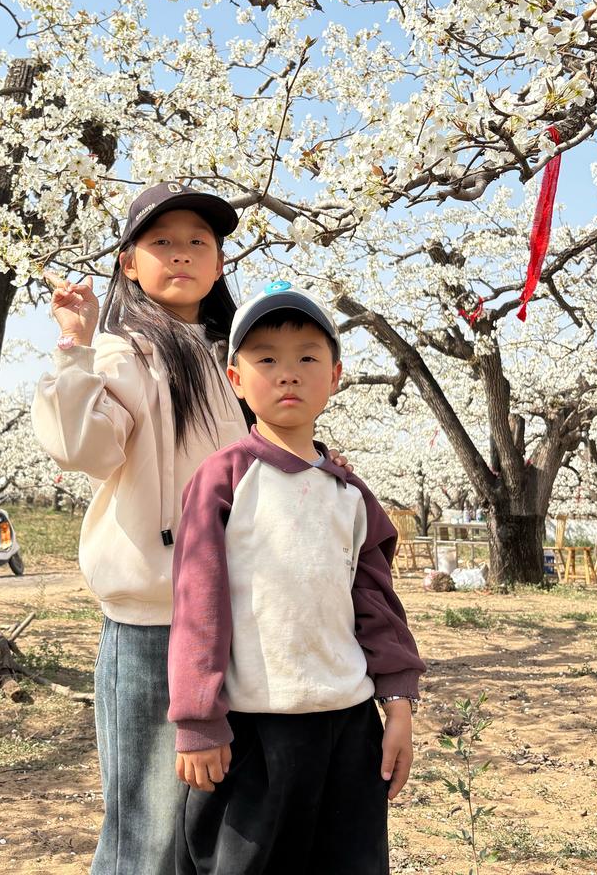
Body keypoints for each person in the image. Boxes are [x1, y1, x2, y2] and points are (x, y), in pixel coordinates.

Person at [168, 282, 425, 875]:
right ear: (235, 379)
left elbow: (377, 604)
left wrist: (398, 705)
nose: (287, 374)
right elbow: (198, 603)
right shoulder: (224, 479)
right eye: (266, 359)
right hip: (254, 728)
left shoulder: (350, 493)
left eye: (307, 358)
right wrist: (200, 719)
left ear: (334, 377)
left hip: (348, 725)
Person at [33, 182, 251, 875]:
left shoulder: (239, 356)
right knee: (148, 829)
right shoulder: (124, 352)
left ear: (219, 263)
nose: (181, 255)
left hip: (240, 614)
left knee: (214, 825)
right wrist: (74, 345)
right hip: (156, 620)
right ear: (129, 263)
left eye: (198, 243)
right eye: (162, 243)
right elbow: (84, 450)